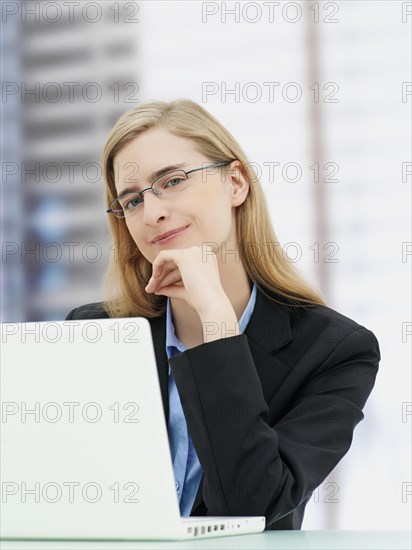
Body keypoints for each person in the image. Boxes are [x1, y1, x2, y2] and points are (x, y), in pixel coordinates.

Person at [65, 99, 381, 530]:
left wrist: (215, 319)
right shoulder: (95, 333)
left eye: (173, 180)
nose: (153, 212)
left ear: (236, 182)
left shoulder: (334, 351)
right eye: (133, 200)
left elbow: (251, 505)